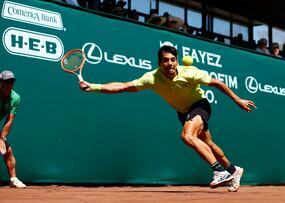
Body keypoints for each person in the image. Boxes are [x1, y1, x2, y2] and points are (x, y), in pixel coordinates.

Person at [79, 45, 256, 192]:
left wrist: (237, 99)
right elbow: (123, 86)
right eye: (165, 60)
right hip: (183, 111)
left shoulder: (190, 72)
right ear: (159, 63)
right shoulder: (152, 78)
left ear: (177, 61)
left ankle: (219, 172)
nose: (169, 63)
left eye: (172, 59)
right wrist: (94, 86)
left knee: (187, 136)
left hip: (200, 105)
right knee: (208, 144)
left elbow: (217, 83)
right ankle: (234, 170)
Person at [0, 70, 26, 188]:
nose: (9, 84)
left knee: (7, 150)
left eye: (11, 82)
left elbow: (9, 120)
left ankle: (13, 179)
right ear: (0, 82)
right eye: (7, 82)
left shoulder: (15, 98)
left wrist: (2, 138)